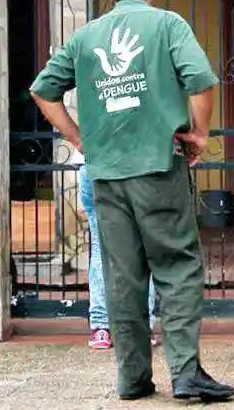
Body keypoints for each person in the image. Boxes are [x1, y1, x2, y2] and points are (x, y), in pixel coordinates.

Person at [29, 0, 234, 403]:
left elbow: (43, 91)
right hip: (158, 168)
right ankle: (185, 374)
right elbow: (200, 81)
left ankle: (133, 379)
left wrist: (81, 139)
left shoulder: (85, 38)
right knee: (178, 268)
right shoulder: (167, 25)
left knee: (123, 278)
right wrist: (199, 134)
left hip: (106, 176)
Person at [72, 149, 159, 350]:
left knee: (101, 247)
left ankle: (101, 327)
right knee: (142, 248)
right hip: (138, 164)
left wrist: (78, 140)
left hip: (95, 161)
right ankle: (141, 327)